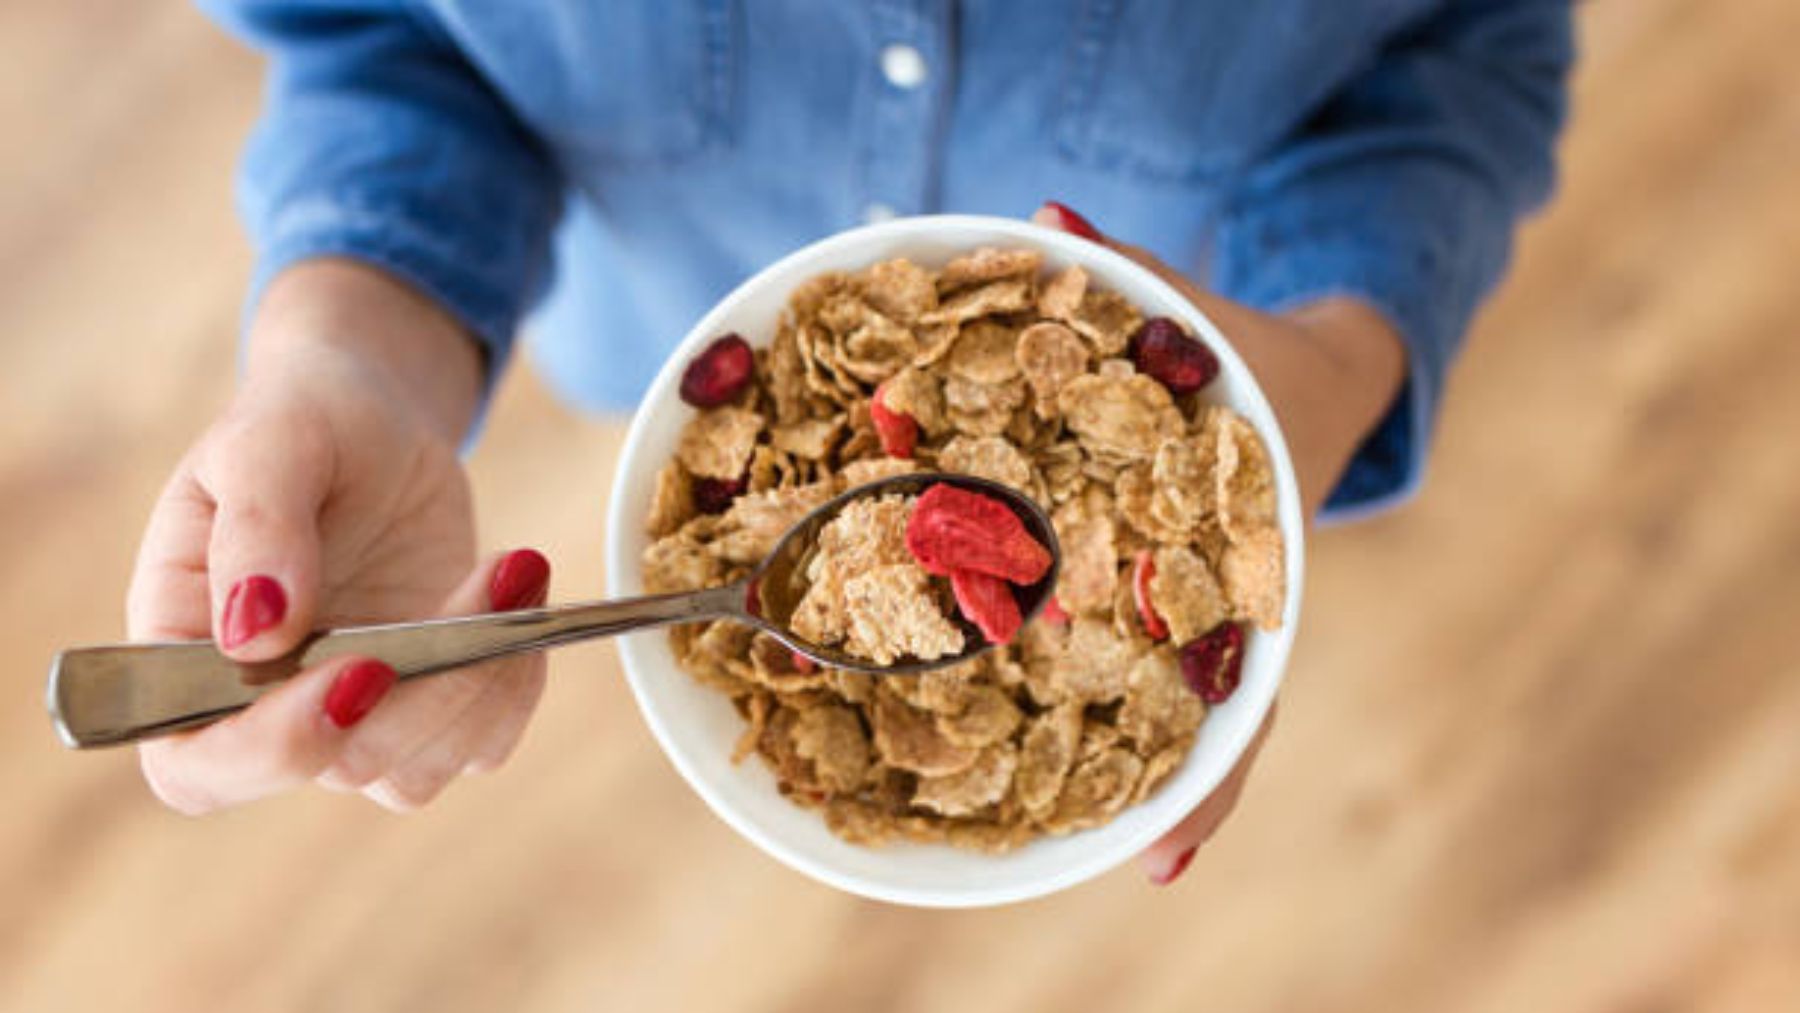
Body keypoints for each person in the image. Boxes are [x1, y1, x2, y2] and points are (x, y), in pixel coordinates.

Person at [129, 1, 1573, 885]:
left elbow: (1467, 52)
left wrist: (1319, 375)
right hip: (646, 313)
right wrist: (353, 356)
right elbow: (387, 42)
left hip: (1212, 326)